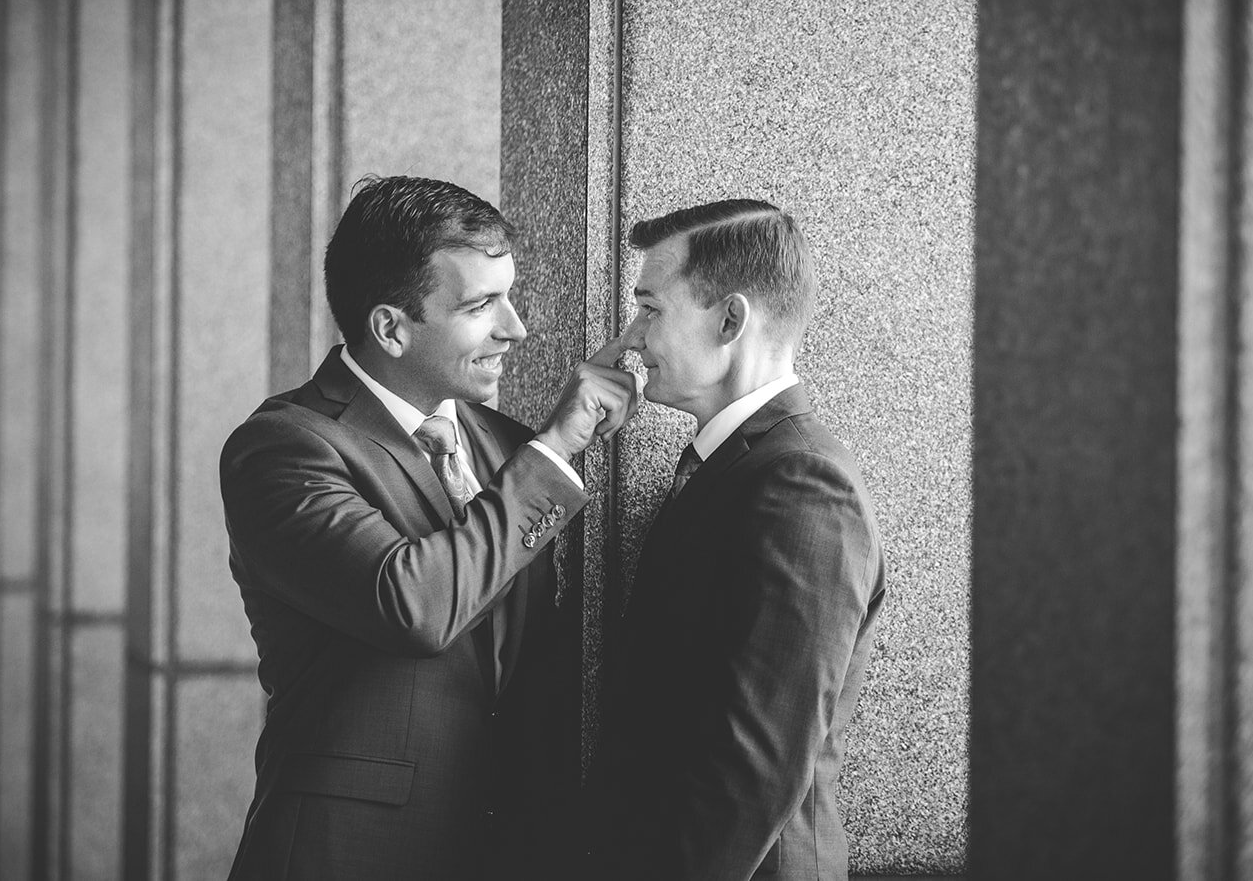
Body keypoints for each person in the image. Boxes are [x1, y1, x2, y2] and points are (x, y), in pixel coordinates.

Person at [220, 175, 636, 881]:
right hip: (347, 853)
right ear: (390, 327)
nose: (516, 327)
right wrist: (558, 447)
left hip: (509, 850)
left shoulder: (505, 444)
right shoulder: (284, 446)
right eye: (481, 305)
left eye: (509, 295)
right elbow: (413, 604)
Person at [590, 199, 887, 880]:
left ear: (730, 319)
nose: (630, 338)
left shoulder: (804, 481)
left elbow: (756, 758)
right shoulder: (739, 466)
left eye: (650, 309)